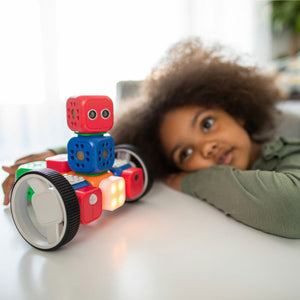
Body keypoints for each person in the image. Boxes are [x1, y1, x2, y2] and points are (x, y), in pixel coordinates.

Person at [3, 38, 300, 238]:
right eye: (185, 154)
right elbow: (118, 152)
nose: (206, 148)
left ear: (238, 113)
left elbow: (290, 205)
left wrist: (188, 180)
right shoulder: (154, 163)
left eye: (207, 124)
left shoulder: (288, 150)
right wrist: (59, 158)